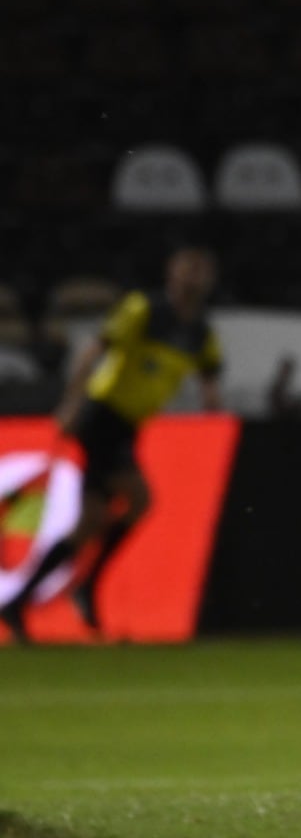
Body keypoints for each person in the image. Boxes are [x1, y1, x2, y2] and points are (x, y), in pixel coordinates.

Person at [0, 247, 224, 642]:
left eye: (201, 271)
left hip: (129, 426)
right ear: (172, 273)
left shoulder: (200, 332)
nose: (194, 277)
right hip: (103, 415)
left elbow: (209, 375)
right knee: (139, 499)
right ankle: (87, 586)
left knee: (87, 525)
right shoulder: (145, 309)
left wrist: (211, 402)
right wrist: (71, 403)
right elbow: (95, 350)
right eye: (188, 268)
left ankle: (19, 602)